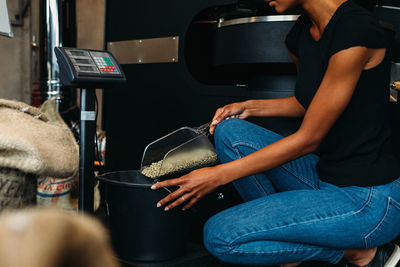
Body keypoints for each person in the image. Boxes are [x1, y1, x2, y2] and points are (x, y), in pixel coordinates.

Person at [151, 0, 400, 266]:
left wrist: (217, 176)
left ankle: (361, 254)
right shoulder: (302, 32)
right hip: (324, 176)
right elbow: (312, 104)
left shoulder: (356, 30)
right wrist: (250, 107)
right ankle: (282, 240)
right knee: (229, 131)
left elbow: (309, 138)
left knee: (220, 236)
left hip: (368, 200)